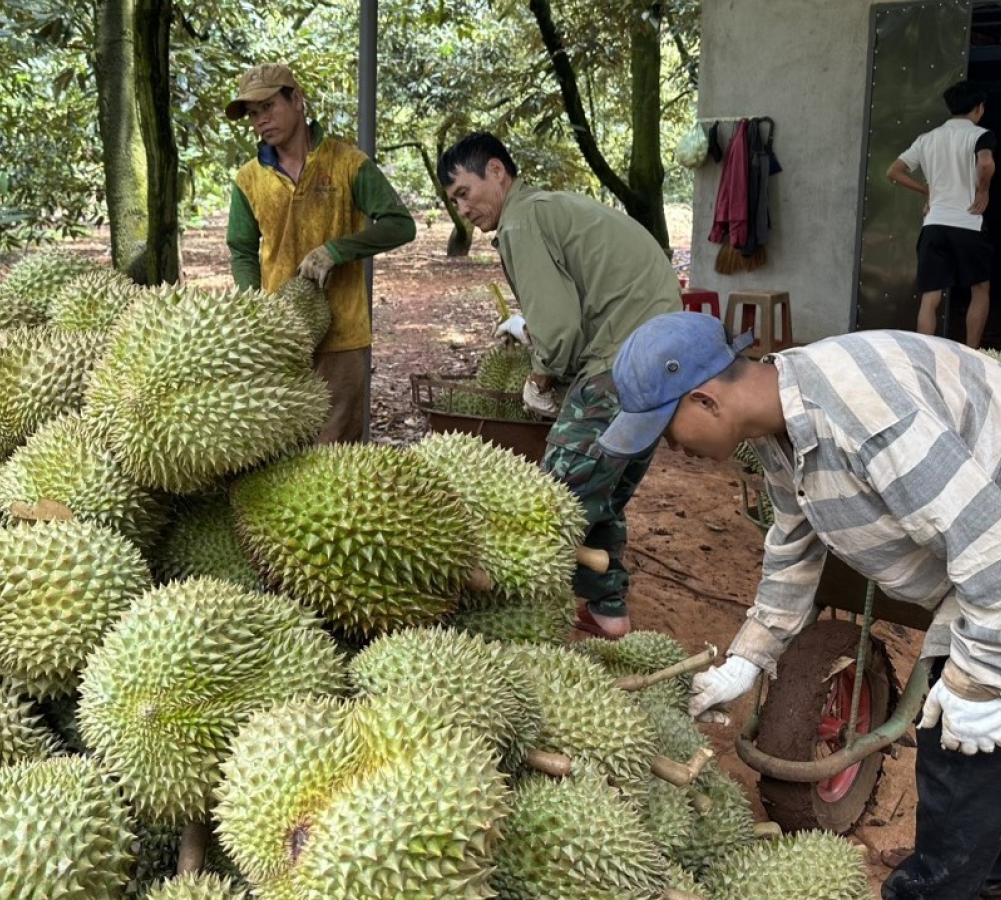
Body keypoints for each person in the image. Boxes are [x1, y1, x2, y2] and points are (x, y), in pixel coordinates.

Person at [599, 313, 1001, 900]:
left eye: (668, 432)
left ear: (706, 400)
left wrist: (982, 681)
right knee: (973, 753)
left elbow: (992, 543)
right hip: (994, 565)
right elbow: (794, 538)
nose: (674, 452)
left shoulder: (868, 420)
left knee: (961, 764)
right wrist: (750, 657)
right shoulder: (780, 422)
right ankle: (991, 883)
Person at [436, 132, 681, 638]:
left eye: (464, 191)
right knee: (600, 491)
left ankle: (515, 622)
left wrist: (540, 372)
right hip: (660, 362)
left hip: (619, 362)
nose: (463, 208)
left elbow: (561, 330)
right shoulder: (551, 210)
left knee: (551, 501)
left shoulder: (523, 220)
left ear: (497, 172)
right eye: (454, 200)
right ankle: (608, 613)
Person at [225, 63, 417, 443]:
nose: (261, 121)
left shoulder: (348, 164)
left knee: (333, 456)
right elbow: (242, 250)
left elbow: (401, 224)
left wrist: (337, 250)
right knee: (278, 451)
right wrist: (254, 308)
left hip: (343, 335)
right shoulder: (248, 179)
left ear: (296, 100)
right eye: (253, 114)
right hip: (278, 336)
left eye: (268, 107)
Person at [887, 81, 997, 348]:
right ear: (979, 108)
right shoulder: (981, 135)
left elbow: (894, 171)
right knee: (980, 289)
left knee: (930, 296)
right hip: (968, 223)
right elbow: (985, 162)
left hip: (934, 225)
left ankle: (925, 354)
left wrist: (927, 191)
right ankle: (972, 353)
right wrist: (983, 191)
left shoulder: (927, 138)